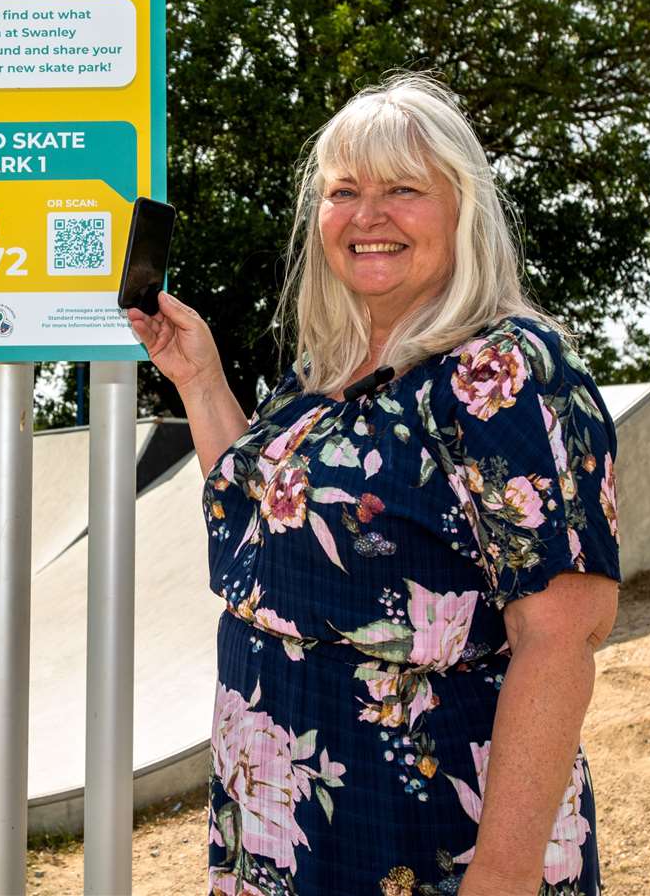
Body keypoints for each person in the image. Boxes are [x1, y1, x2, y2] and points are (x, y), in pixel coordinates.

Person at [128, 74, 621, 896]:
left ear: (463, 206)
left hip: (424, 830)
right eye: (344, 191)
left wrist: (499, 878)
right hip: (290, 816)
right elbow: (263, 537)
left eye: (403, 190)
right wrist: (202, 381)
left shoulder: (503, 371)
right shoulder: (325, 368)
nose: (368, 216)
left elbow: (563, 636)